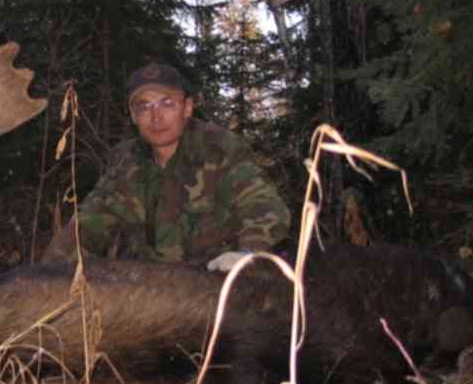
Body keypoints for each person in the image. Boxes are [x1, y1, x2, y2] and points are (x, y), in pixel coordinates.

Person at [43, 62, 291, 270]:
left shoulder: (220, 149)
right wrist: (47, 275)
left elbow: (264, 206)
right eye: (144, 107)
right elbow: (87, 224)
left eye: (167, 103)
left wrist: (249, 253)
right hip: (153, 295)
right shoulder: (125, 162)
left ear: (188, 107)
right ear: (132, 115)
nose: (156, 117)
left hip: (217, 285)